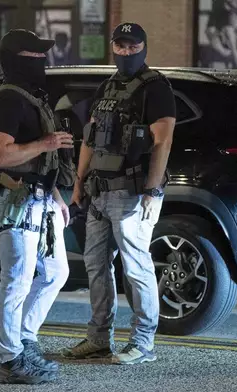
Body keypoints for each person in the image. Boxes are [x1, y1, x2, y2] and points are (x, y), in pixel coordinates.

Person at [62, 22, 176, 365]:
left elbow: (163, 140)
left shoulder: (155, 88)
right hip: (99, 191)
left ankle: (143, 343)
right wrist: (79, 183)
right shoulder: (107, 86)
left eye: (132, 46)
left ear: (143, 48)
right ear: (113, 47)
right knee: (96, 267)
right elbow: (90, 138)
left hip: (132, 190)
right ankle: (98, 338)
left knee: (136, 267)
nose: (126, 52)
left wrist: (153, 190)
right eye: (121, 46)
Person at [0, 29, 76, 384]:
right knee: (17, 280)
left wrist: (55, 198)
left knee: (54, 273)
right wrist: (46, 142)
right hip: (15, 199)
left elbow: (42, 160)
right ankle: (10, 359)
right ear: (16, 60)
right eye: (34, 57)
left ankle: (24, 340)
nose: (42, 63)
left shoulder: (30, 96)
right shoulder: (8, 99)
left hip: (39, 196)